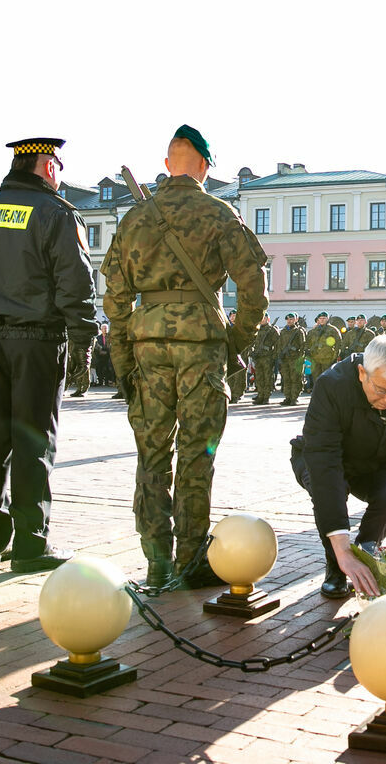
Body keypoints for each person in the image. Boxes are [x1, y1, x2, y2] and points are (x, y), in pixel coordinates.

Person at [101, 124, 269, 588]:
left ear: (168, 163)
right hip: (201, 348)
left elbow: (114, 298)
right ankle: (191, 560)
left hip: (147, 345)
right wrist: (237, 340)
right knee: (198, 453)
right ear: (205, 166)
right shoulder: (219, 213)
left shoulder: (134, 219)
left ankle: (156, 561)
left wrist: (122, 358)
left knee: (152, 456)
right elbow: (254, 288)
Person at [0, 136, 97, 573]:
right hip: (36, 340)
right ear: (45, 165)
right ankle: (31, 546)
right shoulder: (56, 213)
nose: (60, 171)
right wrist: (82, 341)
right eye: (57, 163)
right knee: (34, 441)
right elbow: (75, 281)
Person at [290, 336, 386, 598]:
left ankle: (366, 551)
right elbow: (325, 466)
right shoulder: (332, 386)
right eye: (382, 390)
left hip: (376, 462)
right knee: (333, 491)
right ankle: (337, 566)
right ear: (362, 374)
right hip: (324, 460)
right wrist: (343, 553)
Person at [277, 312, 307, 405]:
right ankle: (288, 397)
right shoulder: (283, 331)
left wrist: (300, 357)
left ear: (296, 320)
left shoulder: (299, 331)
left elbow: (303, 345)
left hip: (295, 359)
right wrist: (279, 356)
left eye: (291, 319)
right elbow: (279, 344)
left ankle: (294, 398)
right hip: (285, 358)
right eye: (288, 319)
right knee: (286, 378)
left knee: (296, 378)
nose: (289, 321)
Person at [306, 312, 341, 389]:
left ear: (327, 319)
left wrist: (334, 356)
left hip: (328, 358)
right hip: (315, 358)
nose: (322, 320)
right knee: (316, 378)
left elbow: (339, 343)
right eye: (320, 319)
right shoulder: (314, 331)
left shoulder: (333, 330)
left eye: (324, 318)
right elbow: (307, 343)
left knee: (328, 378)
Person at [251, 313, 279, 404]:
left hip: (267, 357)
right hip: (258, 357)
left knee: (267, 377)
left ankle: (266, 396)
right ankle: (260, 395)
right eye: (261, 318)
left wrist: (274, 356)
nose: (262, 320)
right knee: (259, 377)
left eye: (264, 318)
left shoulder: (272, 330)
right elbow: (252, 342)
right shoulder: (257, 329)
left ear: (268, 319)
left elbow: (278, 344)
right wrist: (252, 352)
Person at [65, 331, 94, 397]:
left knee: (84, 366)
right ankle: (79, 388)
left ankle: (84, 389)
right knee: (76, 364)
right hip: (75, 339)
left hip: (85, 339)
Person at [94, 322, 115, 387]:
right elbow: (96, 346)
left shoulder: (110, 337)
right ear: (101, 329)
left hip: (108, 355)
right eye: (103, 328)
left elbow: (111, 345)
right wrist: (101, 351)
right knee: (99, 368)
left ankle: (106, 382)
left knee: (108, 369)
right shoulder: (98, 337)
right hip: (100, 355)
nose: (105, 329)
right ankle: (100, 381)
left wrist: (107, 352)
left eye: (106, 328)